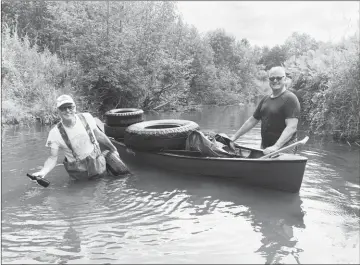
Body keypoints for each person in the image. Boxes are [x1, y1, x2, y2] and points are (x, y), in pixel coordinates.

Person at [32, 94, 120, 180]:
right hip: (79, 175)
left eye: (70, 107)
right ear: (58, 111)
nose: (67, 110)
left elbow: (99, 135)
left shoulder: (87, 117)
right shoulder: (54, 133)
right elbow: (52, 157)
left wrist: (114, 149)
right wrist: (43, 171)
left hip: (98, 165)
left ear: (75, 108)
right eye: (63, 108)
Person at [230, 66, 300, 155]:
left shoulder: (290, 99)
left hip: (284, 148)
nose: (275, 80)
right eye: (272, 78)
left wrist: (276, 147)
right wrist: (233, 138)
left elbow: (291, 127)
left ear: (284, 79)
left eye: (278, 78)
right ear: (269, 80)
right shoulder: (265, 99)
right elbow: (252, 121)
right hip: (266, 148)